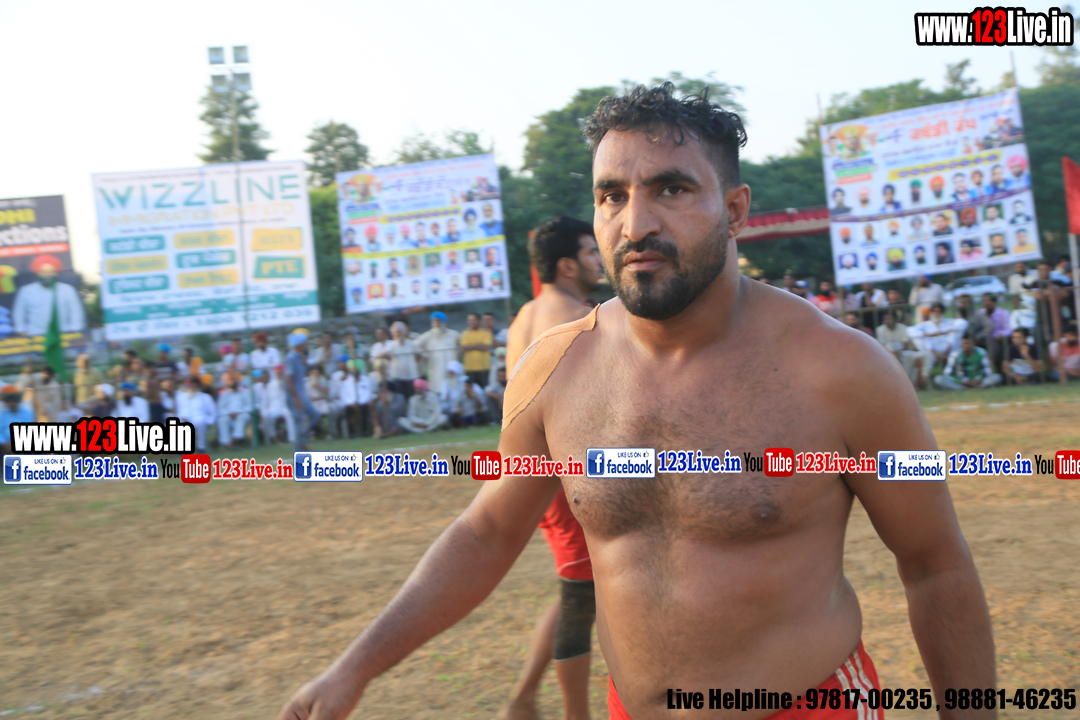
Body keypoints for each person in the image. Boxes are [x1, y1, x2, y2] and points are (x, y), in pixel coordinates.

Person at [278, 82, 993, 720]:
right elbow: (488, 531)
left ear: (734, 210)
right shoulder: (554, 368)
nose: (635, 223)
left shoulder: (841, 370)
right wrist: (353, 669)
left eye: (671, 189)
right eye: (612, 195)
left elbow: (936, 565)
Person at [11, 253, 86, 336]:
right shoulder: (25, 291)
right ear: (37, 273)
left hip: (63, 333)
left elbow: (76, 311)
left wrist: (75, 329)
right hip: (35, 334)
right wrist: (21, 329)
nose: (47, 275)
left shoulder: (68, 289)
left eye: (50, 272)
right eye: (43, 272)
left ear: (56, 273)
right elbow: (19, 313)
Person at [907, 302, 969, 373]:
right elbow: (909, 330)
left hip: (949, 351)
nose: (937, 314)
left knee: (955, 332)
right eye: (934, 311)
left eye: (939, 311)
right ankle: (934, 357)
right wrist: (927, 335)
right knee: (917, 337)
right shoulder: (925, 325)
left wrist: (947, 331)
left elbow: (964, 323)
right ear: (931, 313)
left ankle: (947, 360)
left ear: (943, 313)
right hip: (932, 353)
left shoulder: (948, 322)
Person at [875, 309, 929, 389]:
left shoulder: (903, 328)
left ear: (895, 319)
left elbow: (905, 344)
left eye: (889, 319)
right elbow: (882, 345)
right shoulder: (880, 329)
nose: (887, 321)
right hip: (886, 355)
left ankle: (912, 383)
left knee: (914, 356)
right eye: (885, 319)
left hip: (903, 352)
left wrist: (898, 352)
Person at [285, 330, 320, 453]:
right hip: (295, 396)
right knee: (298, 424)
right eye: (304, 343)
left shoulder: (300, 357)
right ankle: (298, 452)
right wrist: (296, 398)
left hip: (302, 394)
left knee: (315, 416)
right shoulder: (291, 358)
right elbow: (289, 380)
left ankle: (302, 441)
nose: (306, 345)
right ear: (299, 345)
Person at [415, 311, 460, 395]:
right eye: (434, 321)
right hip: (435, 368)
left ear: (443, 322)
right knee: (437, 389)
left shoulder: (453, 334)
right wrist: (425, 354)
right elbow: (415, 345)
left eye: (438, 320)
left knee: (453, 389)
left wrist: (457, 353)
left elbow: (462, 344)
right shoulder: (428, 335)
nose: (436, 323)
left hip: (450, 368)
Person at [934, 335, 1001, 389]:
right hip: (961, 382)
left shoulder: (982, 353)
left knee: (997, 377)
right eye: (964, 343)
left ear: (974, 343)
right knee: (938, 379)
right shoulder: (955, 355)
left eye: (968, 343)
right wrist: (963, 381)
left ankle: (980, 387)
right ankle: (961, 389)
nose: (966, 346)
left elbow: (987, 371)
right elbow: (948, 373)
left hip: (979, 381)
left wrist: (978, 380)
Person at [176, 376, 216, 452]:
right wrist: (182, 417)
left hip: (200, 419)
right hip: (184, 419)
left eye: (195, 385)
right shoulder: (180, 397)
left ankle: (201, 447)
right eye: (191, 385)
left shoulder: (206, 397)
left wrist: (209, 422)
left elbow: (213, 412)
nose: (193, 387)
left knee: (200, 423)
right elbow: (179, 411)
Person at [387, 321, 421, 399]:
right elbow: (388, 354)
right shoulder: (391, 345)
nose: (398, 334)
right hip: (398, 376)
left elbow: (418, 356)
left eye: (399, 332)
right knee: (401, 398)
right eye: (395, 332)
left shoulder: (411, 344)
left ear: (403, 332)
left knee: (413, 397)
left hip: (412, 376)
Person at [217, 374, 252, 449]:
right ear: (228, 382)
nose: (233, 382)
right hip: (229, 415)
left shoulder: (245, 392)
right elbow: (220, 408)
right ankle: (226, 442)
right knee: (222, 420)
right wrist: (229, 414)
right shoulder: (224, 394)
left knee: (242, 417)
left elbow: (250, 405)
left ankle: (232, 441)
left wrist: (239, 412)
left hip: (242, 414)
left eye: (235, 380)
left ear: (238, 381)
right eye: (231, 380)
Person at [458, 312, 493, 387]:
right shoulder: (465, 333)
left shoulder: (486, 332)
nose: (471, 322)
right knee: (471, 389)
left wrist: (471, 346)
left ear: (479, 321)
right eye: (470, 320)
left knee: (484, 388)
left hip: (483, 367)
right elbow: (464, 347)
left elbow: (486, 347)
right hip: (470, 368)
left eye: (473, 320)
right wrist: (479, 345)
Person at [0, 385, 35, 456]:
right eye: (9, 402)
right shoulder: (3, 415)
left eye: (14, 401)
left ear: (18, 401)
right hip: (5, 446)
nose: (12, 404)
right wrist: (4, 442)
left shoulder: (27, 414)